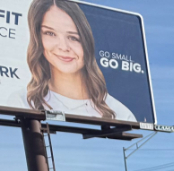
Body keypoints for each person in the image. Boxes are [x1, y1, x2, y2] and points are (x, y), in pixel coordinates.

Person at [4, 0, 136, 122]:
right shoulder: (21, 102)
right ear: (37, 38)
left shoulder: (119, 113)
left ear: (87, 42)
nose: (63, 47)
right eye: (50, 33)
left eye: (73, 37)